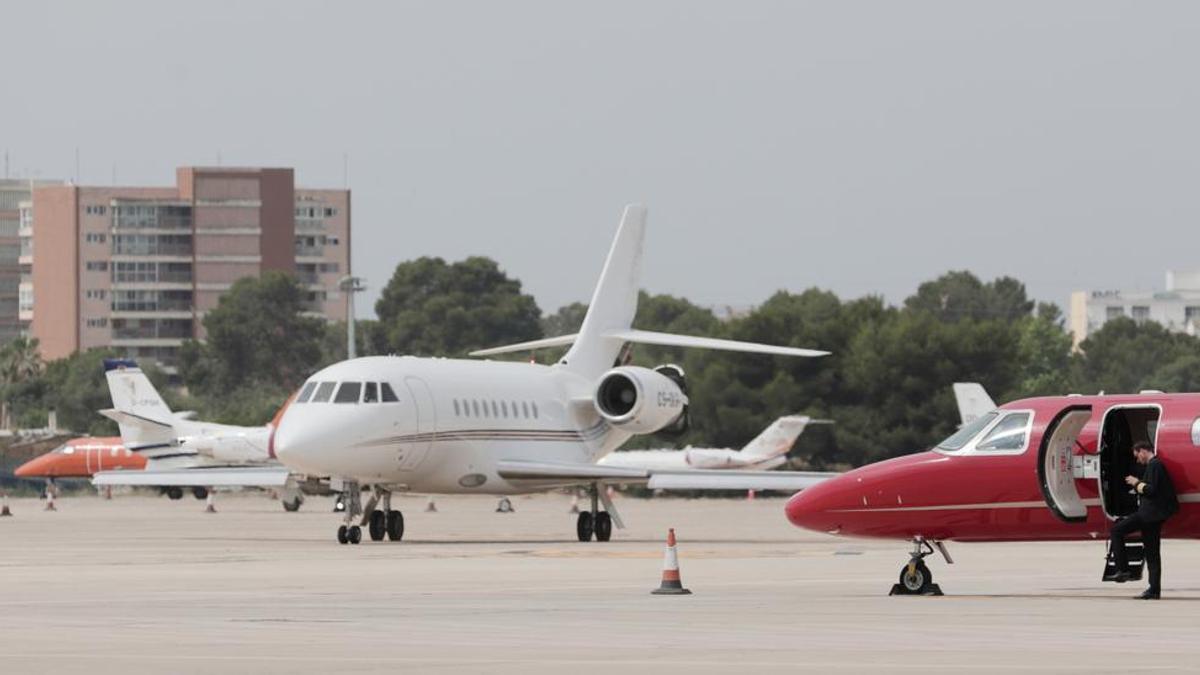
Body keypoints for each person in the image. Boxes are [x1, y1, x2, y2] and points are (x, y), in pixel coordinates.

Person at [1106, 440, 1178, 599]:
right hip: (1154, 516)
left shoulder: (1154, 465)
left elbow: (1151, 490)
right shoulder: (1155, 466)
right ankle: (1154, 590)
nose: (1137, 459)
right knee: (1152, 554)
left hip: (1149, 514)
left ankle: (1123, 570)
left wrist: (1135, 482)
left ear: (1143, 451)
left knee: (1116, 530)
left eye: (1137, 455)